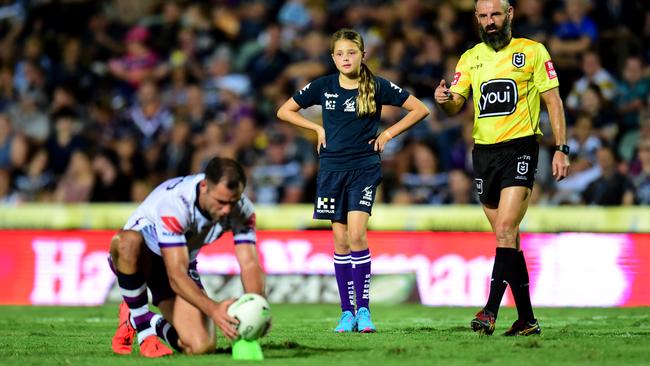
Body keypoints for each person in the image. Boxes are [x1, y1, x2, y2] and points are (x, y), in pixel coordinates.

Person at [277, 28, 429, 333]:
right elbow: (285, 111)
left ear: (363, 54)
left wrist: (387, 133)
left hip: (364, 168)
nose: (346, 58)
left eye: (351, 52)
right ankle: (347, 313)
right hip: (331, 169)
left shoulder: (377, 86)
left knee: (358, 236)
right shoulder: (323, 86)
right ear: (332, 58)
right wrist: (316, 129)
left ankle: (364, 311)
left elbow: (419, 109)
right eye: (340, 54)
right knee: (340, 240)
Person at [434, 0, 570, 336]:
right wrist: (445, 100)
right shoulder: (469, 58)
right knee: (507, 239)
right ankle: (527, 320)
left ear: (510, 14)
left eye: (496, 14)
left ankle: (489, 310)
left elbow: (553, 100)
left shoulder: (533, 51)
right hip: (483, 154)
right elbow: (456, 106)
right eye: (483, 16)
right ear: (476, 19)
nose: (490, 21)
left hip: (520, 147)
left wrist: (561, 149)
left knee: (507, 229)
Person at [109, 157, 265, 357]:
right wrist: (214, 309)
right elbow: (176, 275)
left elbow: (250, 263)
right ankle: (142, 323)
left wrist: (259, 306)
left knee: (201, 347)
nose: (227, 210)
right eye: (221, 202)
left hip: (180, 260)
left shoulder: (242, 209)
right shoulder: (176, 204)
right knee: (127, 242)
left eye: (232, 202)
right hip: (140, 258)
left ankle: (141, 318)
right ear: (204, 187)